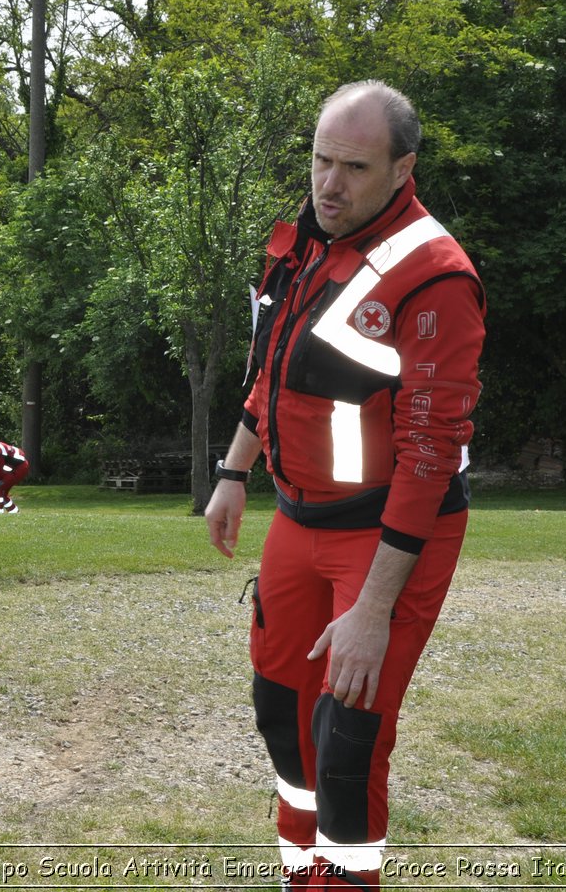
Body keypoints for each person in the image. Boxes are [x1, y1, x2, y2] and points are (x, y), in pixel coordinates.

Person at [204, 82, 485, 890]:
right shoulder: (303, 240)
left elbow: (431, 453)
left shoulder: (436, 274)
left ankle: (347, 878)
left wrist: (372, 610)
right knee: (281, 715)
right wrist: (234, 468)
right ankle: (302, 874)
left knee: (348, 738)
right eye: (321, 160)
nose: (330, 184)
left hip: (388, 531)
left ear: (404, 168)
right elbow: (274, 370)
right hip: (299, 518)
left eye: (353, 168)